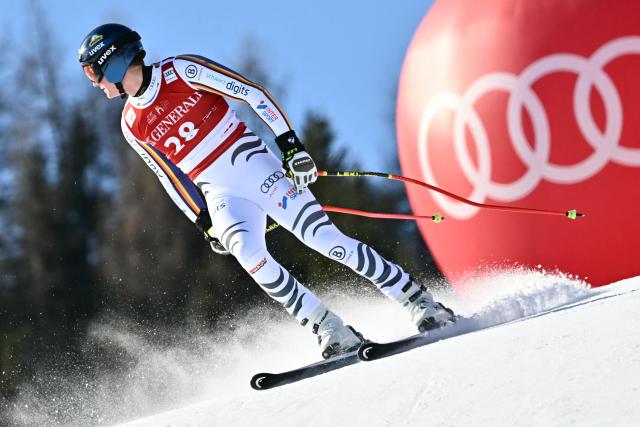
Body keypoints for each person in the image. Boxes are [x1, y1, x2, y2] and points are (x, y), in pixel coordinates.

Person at [77, 23, 456, 359]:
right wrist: (202, 219)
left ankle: (417, 300)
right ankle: (329, 328)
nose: (95, 82)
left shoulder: (181, 71)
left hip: (252, 164)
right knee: (251, 257)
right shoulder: (131, 123)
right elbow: (169, 176)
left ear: (114, 61)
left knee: (323, 239)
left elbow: (252, 93)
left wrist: (291, 146)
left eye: (94, 72)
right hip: (218, 191)